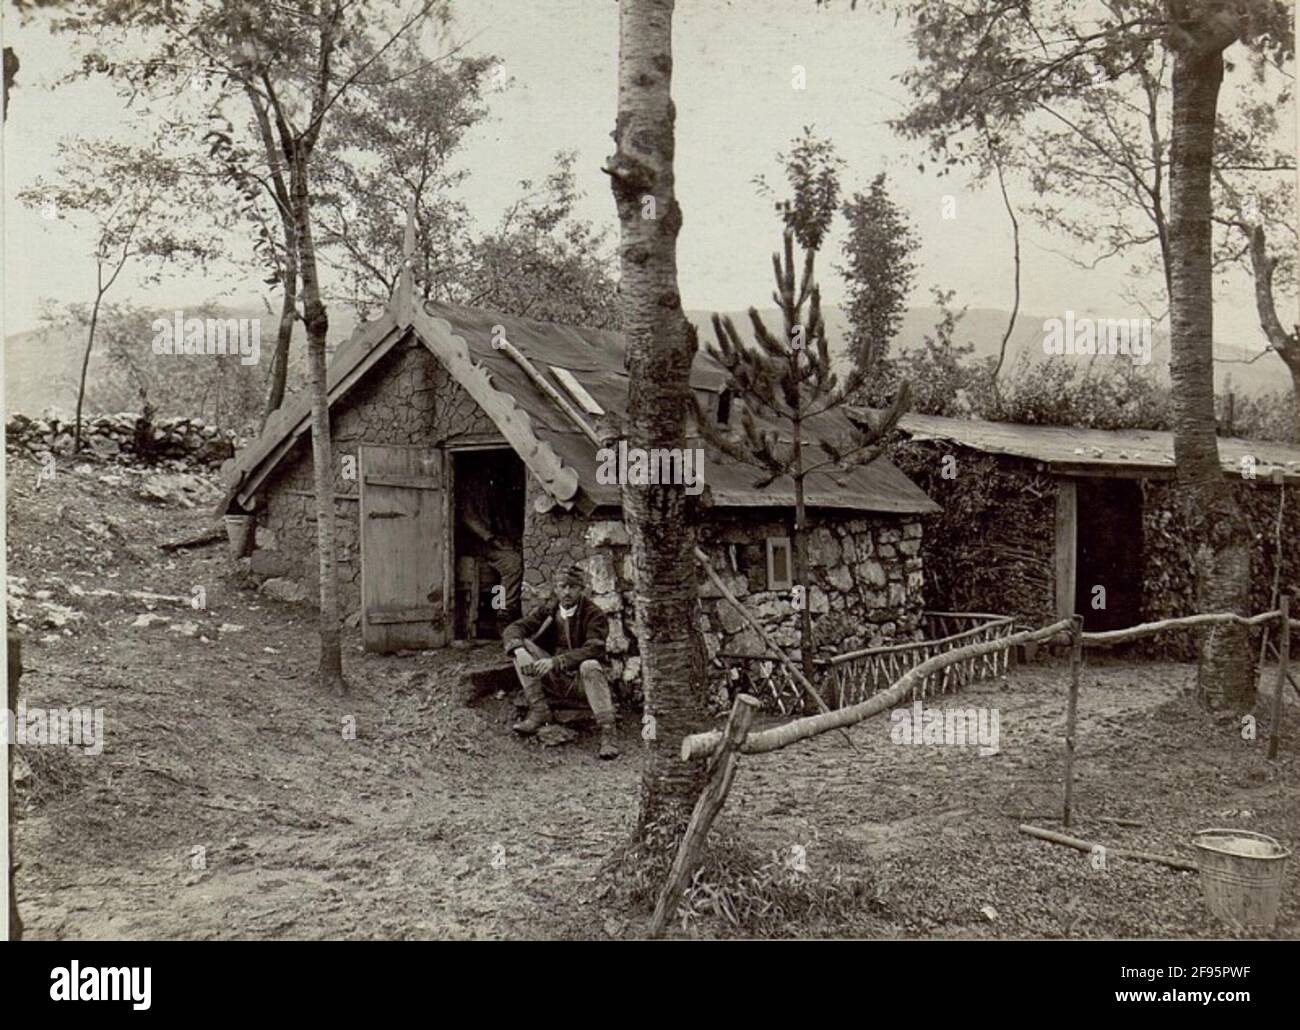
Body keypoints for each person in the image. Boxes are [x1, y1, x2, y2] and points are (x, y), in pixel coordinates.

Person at [502, 562, 620, 760]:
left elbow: (594, 649)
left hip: (583, 684)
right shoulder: (549, 610)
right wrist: (521, 651)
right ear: (555, 589)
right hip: (554, 679)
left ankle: (608, 733)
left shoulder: (594, 615)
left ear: (582, 590)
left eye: (572, 587)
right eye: (562, 587)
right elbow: (513, 628)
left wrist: (557, 661)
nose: (567, 592)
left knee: (589, 665)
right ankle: (539, 710)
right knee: (519, 646)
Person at [461, 476, 522, 622]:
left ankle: (499, 607)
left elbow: (505, 522)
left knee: (510, 562)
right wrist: (492, 539)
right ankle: (504, 610)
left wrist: (515, 540)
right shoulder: (471, 488)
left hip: (491, 543)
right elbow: (469, 519)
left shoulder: (494, 492)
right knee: (512, 562)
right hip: (476, 544)